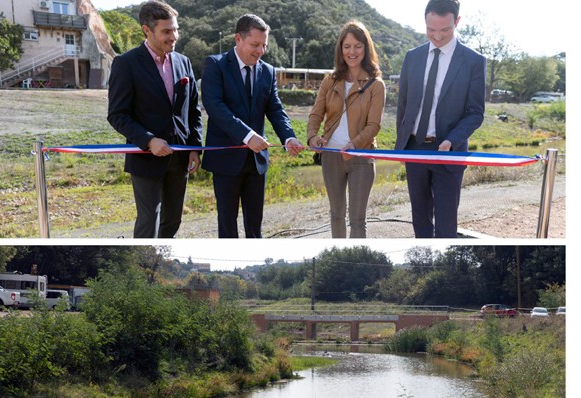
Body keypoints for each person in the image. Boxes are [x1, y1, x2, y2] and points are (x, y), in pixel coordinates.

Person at [201, 14, 304, 238]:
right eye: (255, 44)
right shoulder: (216, 65)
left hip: (257, 163)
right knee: (227, 227)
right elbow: (215, 107)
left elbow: (275, 109)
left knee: (255, 228)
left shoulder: (267, 71)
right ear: (238, 39)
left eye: (264, 45)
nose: (260, 51)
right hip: (226, 160)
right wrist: (247, 136)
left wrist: (289, 138)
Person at [107, 0, 202, 238]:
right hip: (145, 158)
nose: (174, 37)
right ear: (146, 30)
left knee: (173, 221)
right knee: (149, 221)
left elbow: (194, 110)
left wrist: (195, 149)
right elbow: (117, 115)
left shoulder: (184, 62)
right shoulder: (126, 63)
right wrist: (149, 141)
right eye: (167, 31)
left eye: (176, 30)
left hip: (180, 158)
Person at [395, 0, 486, 238]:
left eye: (444, 30)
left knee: (446, 227)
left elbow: (475, 112)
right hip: (414, 148)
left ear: (457, 22)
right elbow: (403, 105)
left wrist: (452, 140)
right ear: (425, 22)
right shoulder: (412, 57)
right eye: (430, 29)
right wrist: (400, 147)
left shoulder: (473, 61)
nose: (436, 36)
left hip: (449, 151)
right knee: (420, 223)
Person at [307, 21, 386, 238]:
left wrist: (355, 144)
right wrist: (312, 136)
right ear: (341, 49)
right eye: (347, 46)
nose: (352, 51)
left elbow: (374, 125)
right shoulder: (329, 81)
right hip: (331, 155)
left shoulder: (376, 85)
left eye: (358, 46)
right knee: (336, 215)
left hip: (360, 155)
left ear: (366, 48)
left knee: (358, 220)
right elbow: (316, 114)